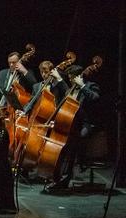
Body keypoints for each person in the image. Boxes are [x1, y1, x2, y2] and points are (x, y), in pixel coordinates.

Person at [43, 64, 100, 192]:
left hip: (85, 123)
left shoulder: (91, 86)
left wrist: (83, 86)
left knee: (74, 142)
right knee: (63, 147)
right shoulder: (71, 89)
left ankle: (70, 173)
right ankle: (56, 177)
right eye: (69, 79)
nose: (70, 81)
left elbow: (95, 98)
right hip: (70, 123)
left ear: (78, 77)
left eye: (72, 78)